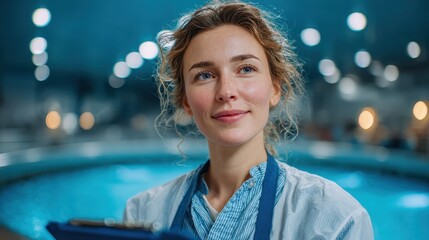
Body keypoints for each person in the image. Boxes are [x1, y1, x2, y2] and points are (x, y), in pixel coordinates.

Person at [124, 1, 374, 239]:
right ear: (186, 101)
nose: (226, 91)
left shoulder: (335, 220)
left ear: (275, 88)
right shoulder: (143, 215)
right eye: (205, 75)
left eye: (246, 69)